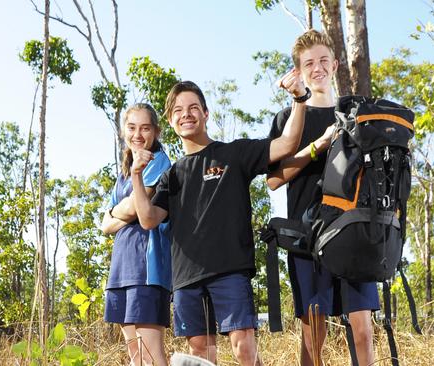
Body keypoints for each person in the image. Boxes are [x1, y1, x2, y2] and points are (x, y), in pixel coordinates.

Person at [129, 79, 308, 366]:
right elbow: (149, 219)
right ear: (171, 120)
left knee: (244, 350)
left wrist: (300, 98)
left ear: (205, 113)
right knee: (201, 357)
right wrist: (137, 175)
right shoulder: (171, 175)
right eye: (178, 110)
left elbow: (287, 143)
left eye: (192, 108)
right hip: (187, 278)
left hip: (230, 270)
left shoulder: (234, 153)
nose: (185, 114)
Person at [266, 29, 380, 366]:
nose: (317, 68)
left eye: (323, 61)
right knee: (314, 335)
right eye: (308, 63)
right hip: (308, 240)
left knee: (362, 329)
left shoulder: (357, 112)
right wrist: (318, 146)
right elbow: (274, 180)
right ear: (298, 71)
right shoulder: (288, 119)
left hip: (354, 235)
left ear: (335, 65)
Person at [100, 103, 171, 366]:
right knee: (136, 357)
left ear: (156, 131)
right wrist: (121, 212)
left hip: (147, 268)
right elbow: (105, 225)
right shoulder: (123, 172)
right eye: (132, 127)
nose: (138, 134)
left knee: (152, 355)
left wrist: (118, 212)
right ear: (123, 131)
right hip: (122, 267)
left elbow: (133, 209)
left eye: (145, 128)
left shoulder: (159, 161)